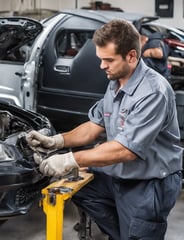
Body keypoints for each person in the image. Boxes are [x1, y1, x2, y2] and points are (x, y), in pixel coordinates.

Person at [26, 19, 182, 239]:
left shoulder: (152, 92)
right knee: (83, 191)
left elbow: (125, 150)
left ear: (131, 56)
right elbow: (93, 126)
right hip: (119, 175)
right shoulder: (116, 82)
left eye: (108, 60)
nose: (102, 66)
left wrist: (69, 160)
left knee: (138, 233)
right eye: (101, 59)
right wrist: (57, 141)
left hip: (148, 184)